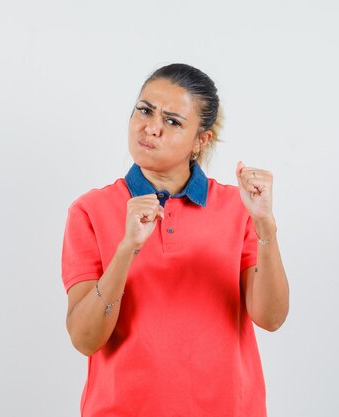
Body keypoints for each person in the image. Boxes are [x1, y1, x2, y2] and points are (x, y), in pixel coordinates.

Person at [61, 63, 289, 417]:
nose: (151, 128)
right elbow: (85, 339)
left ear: (201, 140)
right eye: (145, 110)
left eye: (172, 121)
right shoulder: (90, 210)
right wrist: (127, 249)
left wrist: (264, 224)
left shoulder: (236, 206)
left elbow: (271, 318)